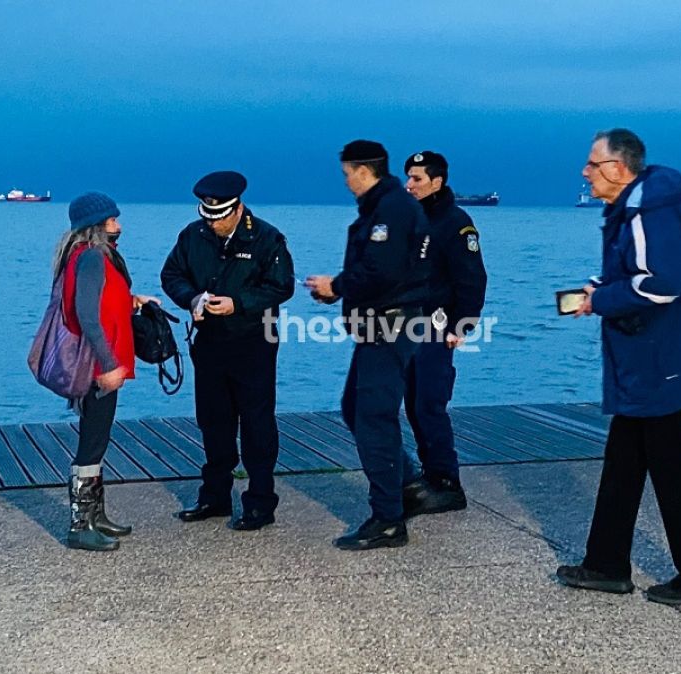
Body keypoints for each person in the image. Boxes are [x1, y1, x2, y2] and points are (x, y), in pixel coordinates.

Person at [556, 129, 681, 605]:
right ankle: (606, 564)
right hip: (649, 359)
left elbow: (663, 284)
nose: (585, 172)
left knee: (671, 465)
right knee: (625, 461)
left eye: (592, 164)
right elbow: (631, 270)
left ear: (618, 168)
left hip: (661, 361)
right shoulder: (630, 208)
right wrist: (596, 289)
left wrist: (602, 301)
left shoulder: (647, 210)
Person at [306, 140, 429, 551]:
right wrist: (338, 290)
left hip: (390, 325)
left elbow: (383, 270)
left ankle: (388, 519)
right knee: (355, 408)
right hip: (380, 325)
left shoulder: (391, 209)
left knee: (373, 415)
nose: (345, 183)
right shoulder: (384, 207)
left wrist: (336, 286)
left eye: (346, 174)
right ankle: (406, 484)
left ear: (362, 170)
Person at [161, 171, 294, 531]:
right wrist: (193, 298)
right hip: (209, 342)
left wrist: (239, 303)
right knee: (213, 421)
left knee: (256, 422)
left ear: (236, 210)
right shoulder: (192, 235)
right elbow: (171, 275)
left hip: (253, 342)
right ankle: (214, 496)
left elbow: (282, 287)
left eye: (220, 217)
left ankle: (260, 502)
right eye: (208, 216)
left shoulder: (267, 238)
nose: (214, 224)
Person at [55, 191, 159, 552]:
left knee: (97, 439)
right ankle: (80, 524)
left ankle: (95, 516)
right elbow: (86, 315)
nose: (119, 225)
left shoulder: (93, 258)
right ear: (96, 226)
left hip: (103, 361)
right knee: (92, 441)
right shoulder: (91, 260)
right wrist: (110, 364)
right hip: (100, 365)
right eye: (113, 220)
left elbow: (101, 301)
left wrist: (134, 300)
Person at [400, 151, 487, 517]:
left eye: (417, 179)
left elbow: (472, 278)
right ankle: (430, 473)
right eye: (407, 177)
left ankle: (448, 482)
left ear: (437, 181)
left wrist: (462, 324)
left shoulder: (456, 223)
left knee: (430, 404)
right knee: (412, 404)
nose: (409, 185)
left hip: (436, 326)